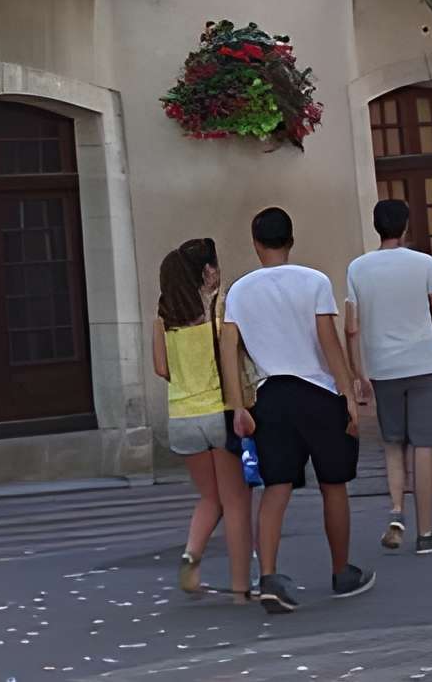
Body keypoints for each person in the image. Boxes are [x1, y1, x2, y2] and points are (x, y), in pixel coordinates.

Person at [226, 205, 373, 612]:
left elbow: (229, 351)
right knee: (333, 484)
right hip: (318, 392)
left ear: (256, 244)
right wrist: (348, 393)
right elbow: (328, 341)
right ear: (291, 240)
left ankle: (269, 575)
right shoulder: (314, 281)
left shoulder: (239, 291)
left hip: (270, 395)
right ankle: (342, 570)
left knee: (276, 487)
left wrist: (238, 405)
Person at [345, 198, 432, 553]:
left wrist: (358, 374)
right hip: (423, 364)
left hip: (383, 368)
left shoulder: (358, 268)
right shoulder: (425, 264)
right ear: (405, 226)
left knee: (392, 443)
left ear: (377, 227)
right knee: (424, 444)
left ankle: (396, 512)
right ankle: (426, 531)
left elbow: (352, 327)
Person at [149, 236, 253, 600]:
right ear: (207, 272)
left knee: (210, 497)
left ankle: (191, 557)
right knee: (236, 502)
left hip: (181, 417)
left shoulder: (163, 321)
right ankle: (241, 586)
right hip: (217, 413)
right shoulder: (218, 318)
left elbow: (161, 368)